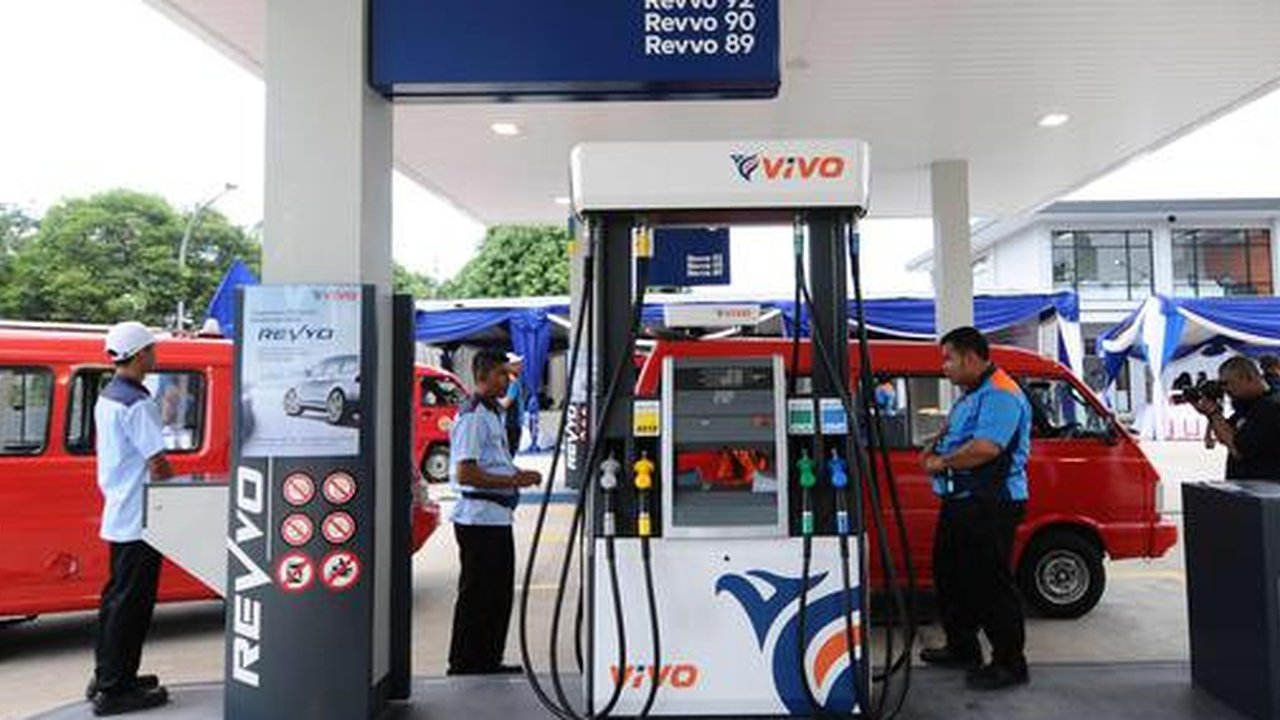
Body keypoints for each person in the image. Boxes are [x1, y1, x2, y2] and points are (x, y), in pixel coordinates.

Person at [918, 326, 1032, 691]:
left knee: (990, 583)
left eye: (948, 359)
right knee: (951, 575)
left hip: (991, 503)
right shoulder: (972, 395)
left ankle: (1010, 663)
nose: (944, 366)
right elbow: (957, 435)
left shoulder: (1000, 393)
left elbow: (986, 447)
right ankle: (963, 647)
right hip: (962, 501)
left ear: (969, 357)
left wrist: (941, 462)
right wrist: (933, 446)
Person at [89, 321, 174, 715]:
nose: (155, 355)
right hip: (141, 516)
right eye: (152, 349)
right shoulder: (137, 403)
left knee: (116, 600)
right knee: (132, 604)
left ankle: (108, 674)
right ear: (140, 354)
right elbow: (157, 462)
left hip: (120, 510)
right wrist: (177, 488)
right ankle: (115, 690)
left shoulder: (110, 396)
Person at [447, 350, 542, 676]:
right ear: (482, 376)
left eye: (508, 374)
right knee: (477, 595)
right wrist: (514, 480)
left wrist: (517, 474)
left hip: (495, 518)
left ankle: (488, 660)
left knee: (497, 596)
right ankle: (465, 663)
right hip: (479, 520)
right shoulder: (473, 416)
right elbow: (466, 473)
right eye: (501, 374)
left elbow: (494, 462)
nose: (507, 380)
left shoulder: (492, 412)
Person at [1192, 356, 1280, 481]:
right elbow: (1225, 436)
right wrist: (1210, 413)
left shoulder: (1271, 407)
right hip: (1247, 485)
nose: (1225, 390)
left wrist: (1214, 413)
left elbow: (1238, 450)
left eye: (1227, 383)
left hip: (1264, 487)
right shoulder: (1249, 404)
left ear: (1248, 378)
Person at [499, 352, 526, 455]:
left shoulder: (511, 381)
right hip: (511, 424)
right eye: (516, 364)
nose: (520, 366)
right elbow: (506, 403)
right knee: (510, 452)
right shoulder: (512, 382)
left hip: (511, 423)